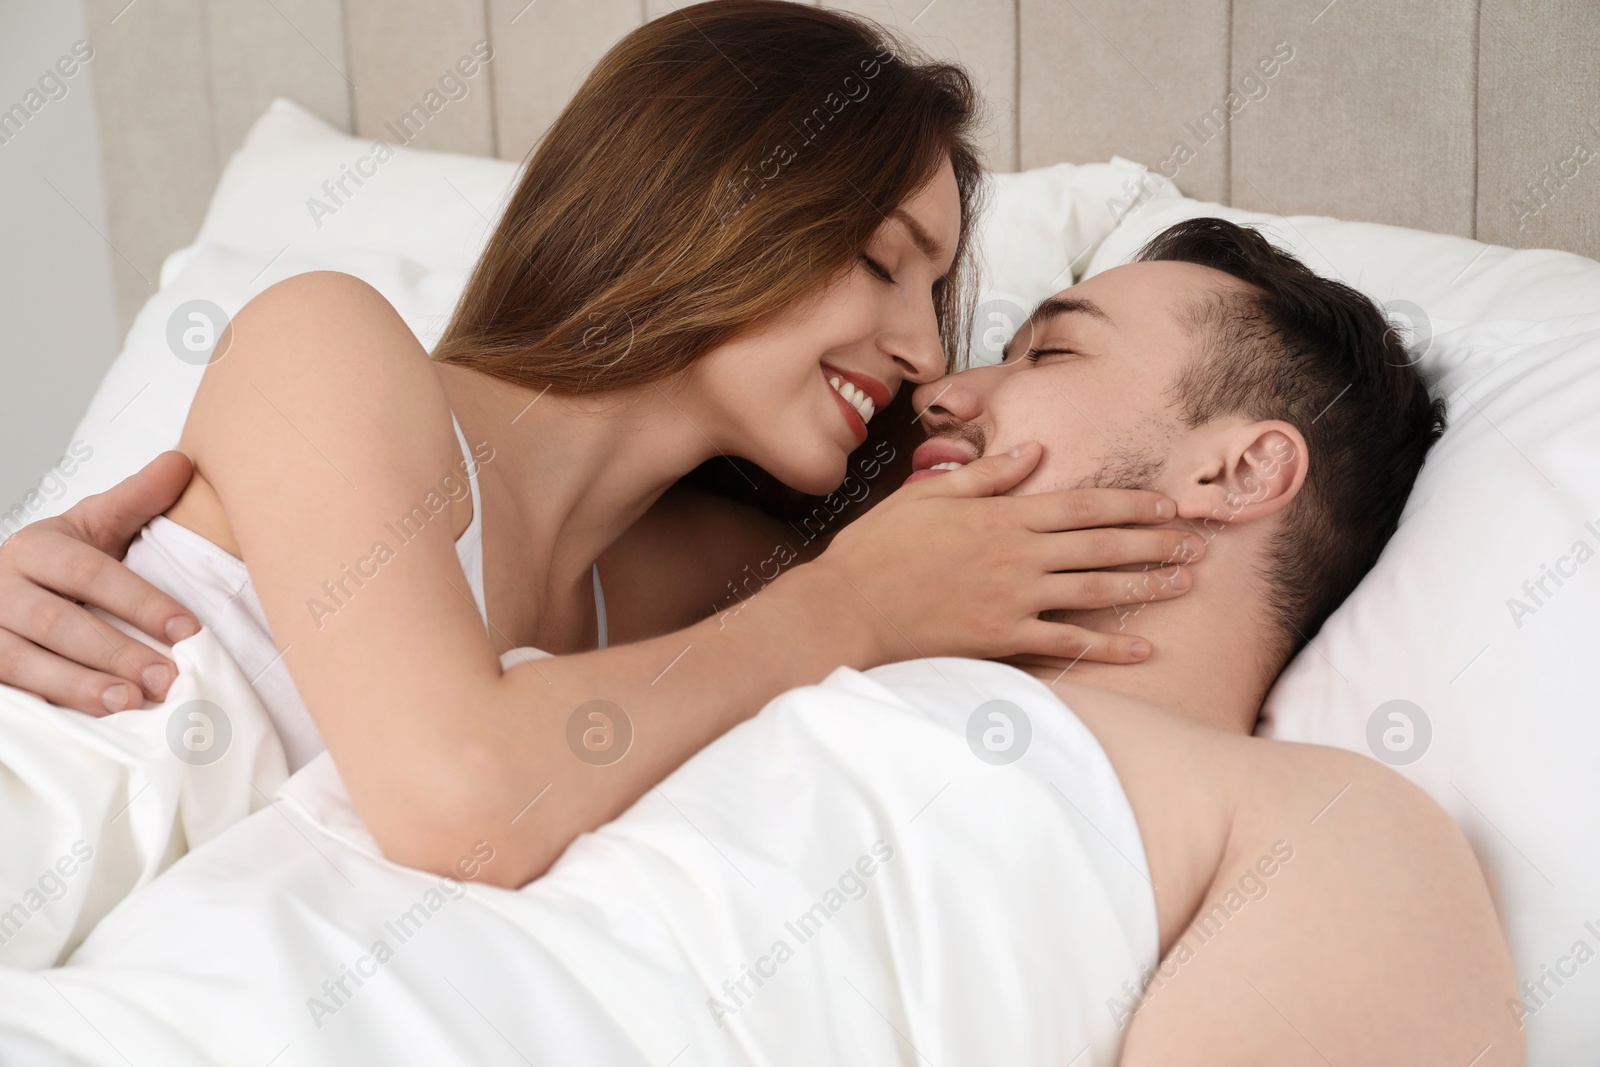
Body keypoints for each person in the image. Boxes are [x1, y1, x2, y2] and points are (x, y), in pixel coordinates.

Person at [0, 219, 1522, 1063]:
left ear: (1239, 470)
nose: (944, 387)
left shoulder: (1313, 820)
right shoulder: (723, 651)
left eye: (1048, 350)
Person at [0, 2, 1199, 889]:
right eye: (883, 260)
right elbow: (458, 799)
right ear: (711, 201)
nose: (923, 353)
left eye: (933, 294)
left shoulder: (709, 578)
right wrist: (852, 606)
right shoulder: (332, 345)